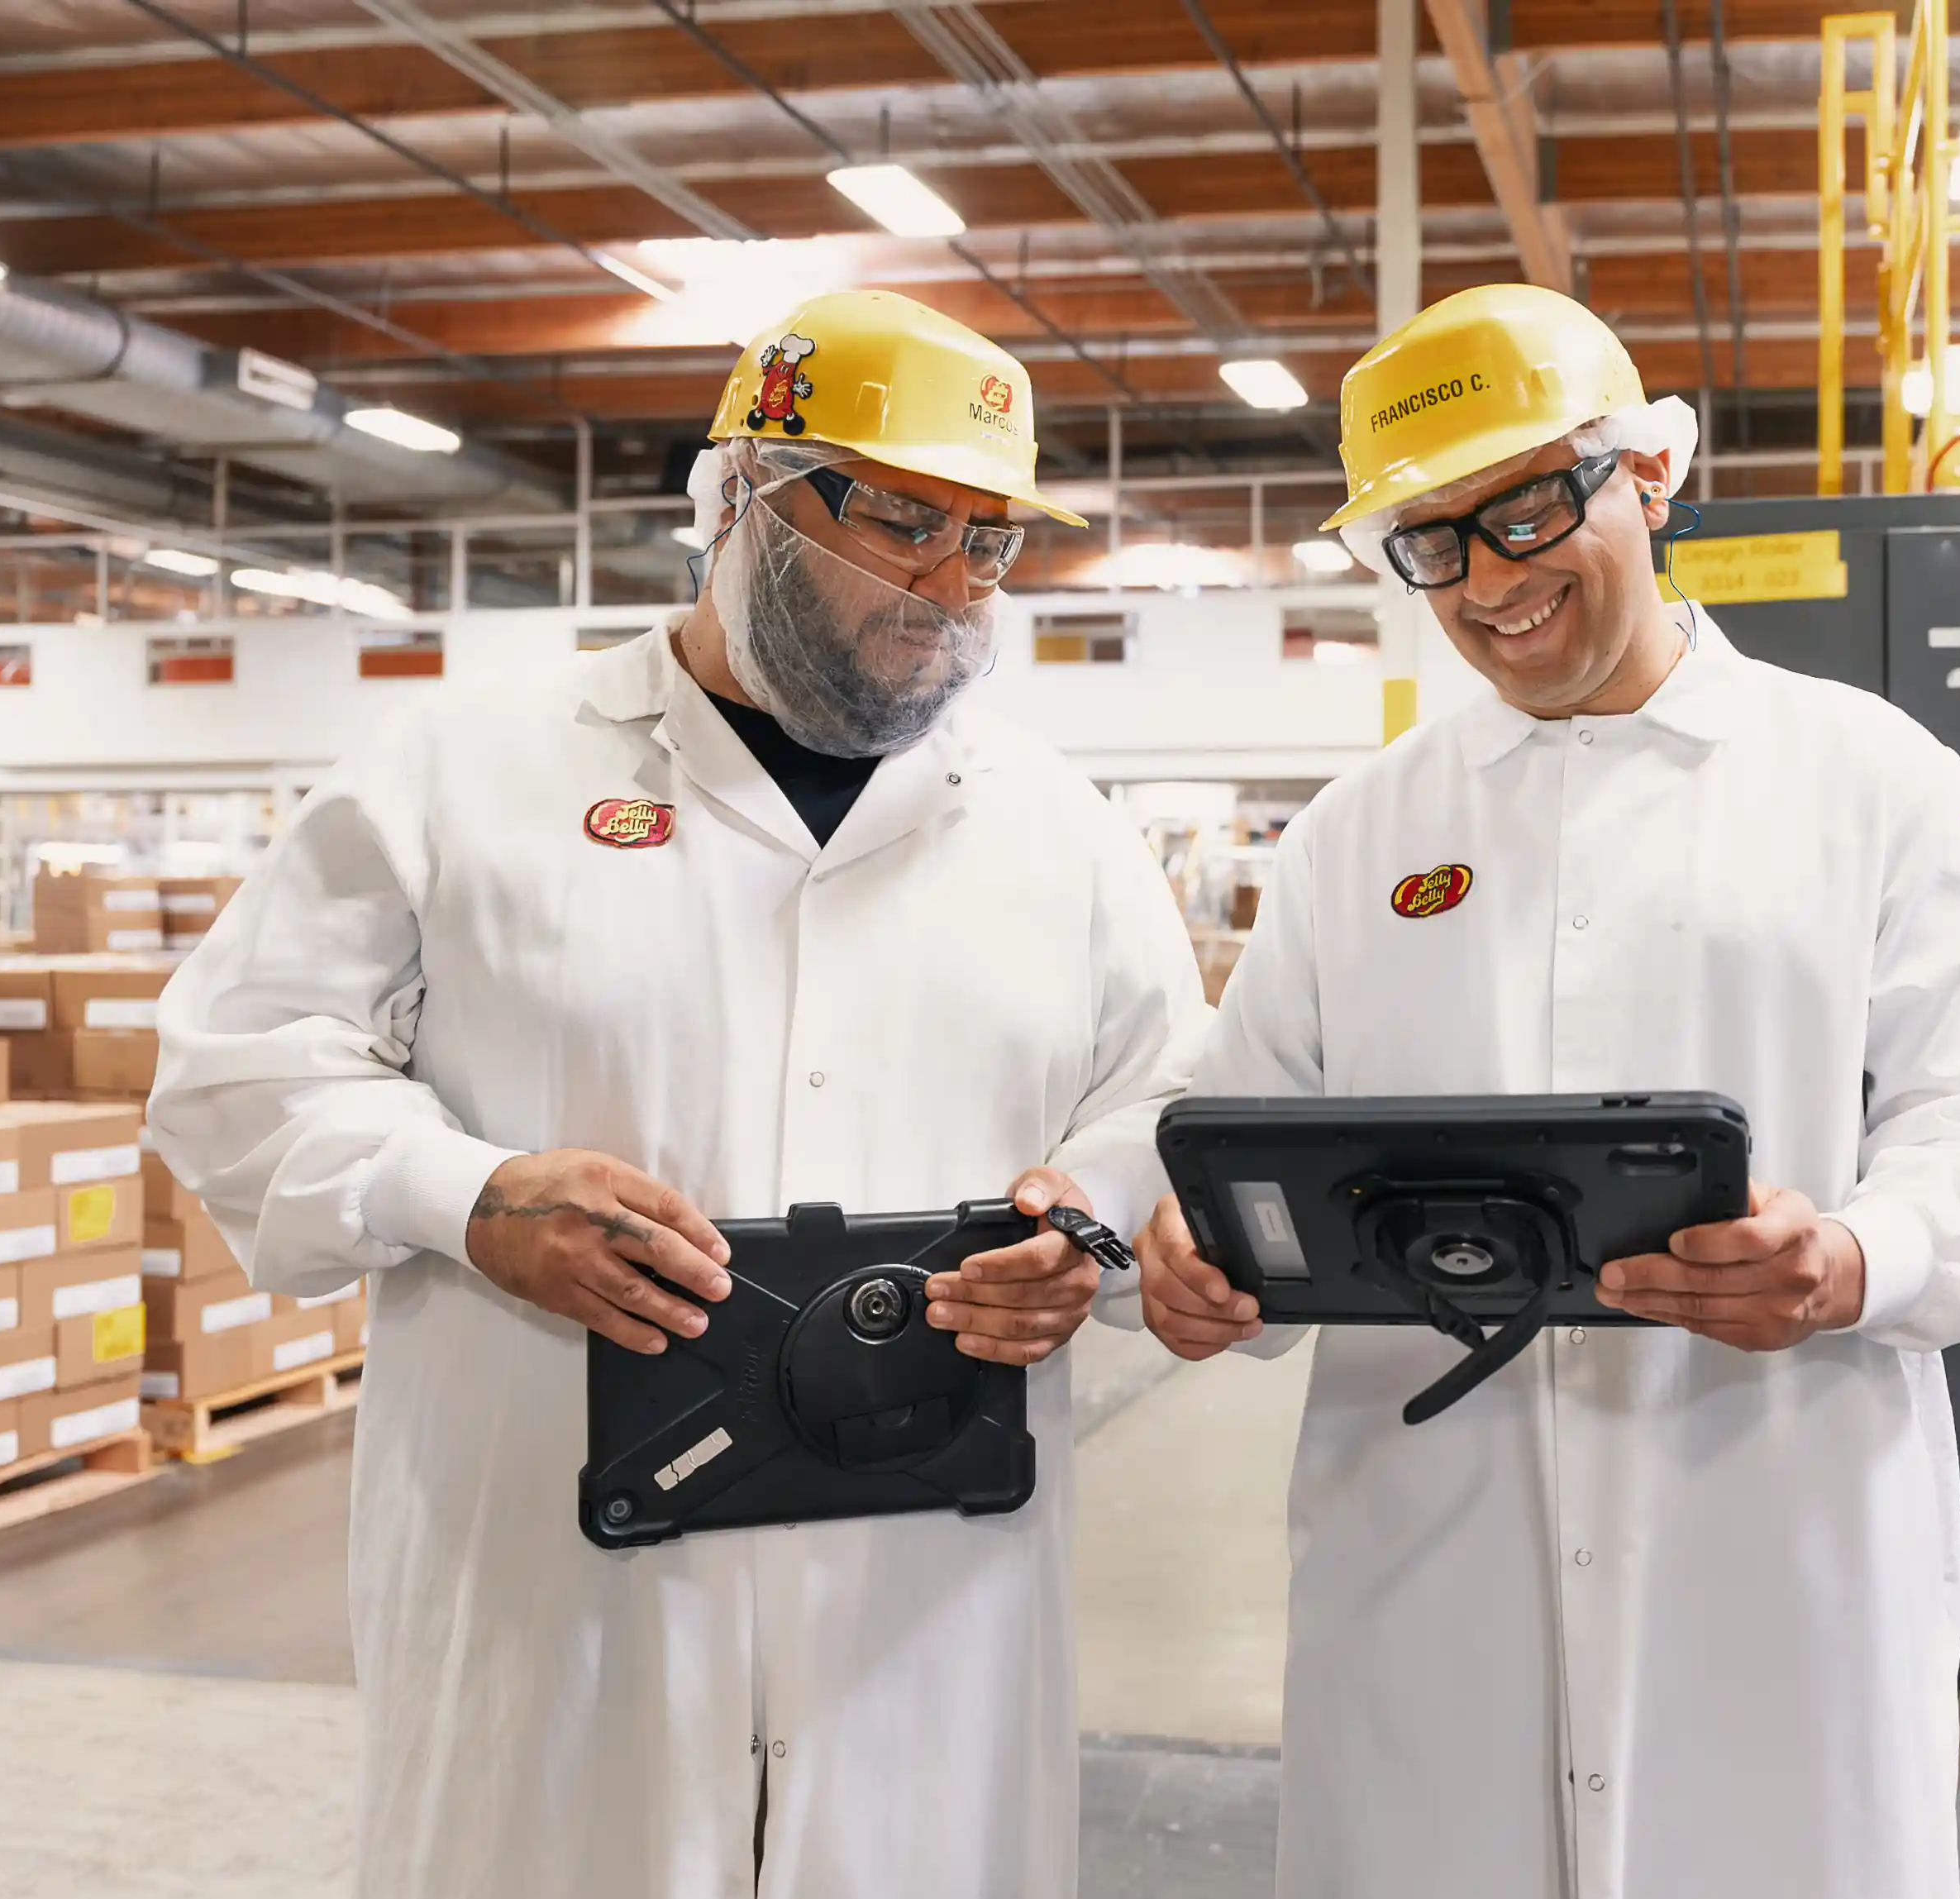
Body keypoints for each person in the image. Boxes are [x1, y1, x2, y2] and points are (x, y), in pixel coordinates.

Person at [148, 289, 1208, 1899]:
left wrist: (1093, 1223)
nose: (948, 588)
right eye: (903, 522)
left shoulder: (1062, 834)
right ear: (743, 501)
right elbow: (236, 1066)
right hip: (568, 1615)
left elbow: (1166, 1103)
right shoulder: (463, 773)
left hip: (924, 1615)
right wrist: (470, 1197)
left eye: (988, 543)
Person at [1128, 283, 1960, 1899]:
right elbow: (1241, 1148)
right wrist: (1193, 1260)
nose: (1491, 583)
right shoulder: (1361, 836)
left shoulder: (1871, 781)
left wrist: (1848, 1258)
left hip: (1767, 1532)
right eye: (1432, 543)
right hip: (1427, 1563)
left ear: (1649, 474)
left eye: (1526, 511)